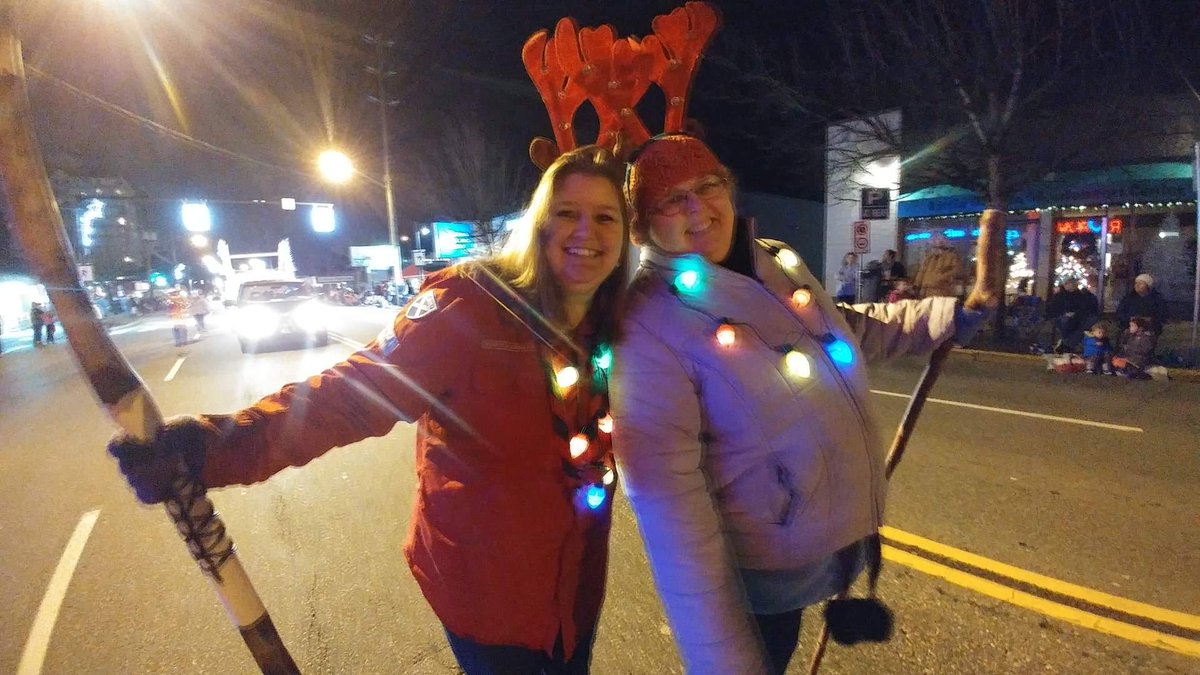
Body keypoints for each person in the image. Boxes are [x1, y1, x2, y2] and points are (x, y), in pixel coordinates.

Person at [106, 146, 631, 675]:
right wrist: (214, 448)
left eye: (605, 217)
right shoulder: (473, 303)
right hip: (488, 596)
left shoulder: (620, 321)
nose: (587, 231)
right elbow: (353, 395)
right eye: (568, 213)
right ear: (539, 223)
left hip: (577, 591)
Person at [612, 134, 989, 675]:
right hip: (763, 578)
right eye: (670, 200)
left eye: (707, 185)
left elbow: (845, 332)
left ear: (729, 187)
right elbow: (672, 511)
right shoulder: (648, 324)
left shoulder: (774, 260)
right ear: (642, 226)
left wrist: (942, 317)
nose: (697, 209)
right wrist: (723, 661)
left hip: (830, 546)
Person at [1044, 278, 1099, 353]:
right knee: (1065, 321)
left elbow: (1084, 309)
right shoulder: (1059, 296)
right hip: (1062, 317)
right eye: (1071, 283)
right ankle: (1068, 344)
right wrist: (1064, 313)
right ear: (1066, 285)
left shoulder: (1081, 296)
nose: (1073, 285)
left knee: (1085, 324)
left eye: (1074, 284)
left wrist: (1075, 314)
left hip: (1077, 318)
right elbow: (1052, 310)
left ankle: (1066, 343)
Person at [1116, 273, 1167, 339]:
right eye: (1136, 283)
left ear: (1147, 286)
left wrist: (1147, 323)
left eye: (1141, 283)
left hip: (1148, 330)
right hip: (1129, 328)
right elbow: (1120, 313)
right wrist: (1129, 321)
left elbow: (1160, 316)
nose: (1137, 285)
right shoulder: (1129, 298)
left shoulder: (1156, 299)